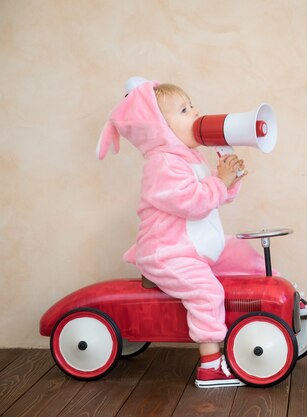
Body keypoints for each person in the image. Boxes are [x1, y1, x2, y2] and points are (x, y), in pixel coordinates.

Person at [97, 77, 267, 388]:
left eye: (192, 106)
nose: (196, 112)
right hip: (168, 252)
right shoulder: (162, 164)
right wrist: (220, 182)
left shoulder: (189, 159)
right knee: (208, 291)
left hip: (194, 246)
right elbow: (194, 203)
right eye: (185, 109)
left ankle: (279, 303)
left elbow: (217, 196)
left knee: (244, 256)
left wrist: (229, 178)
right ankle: (210, 365)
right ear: (158, 128)